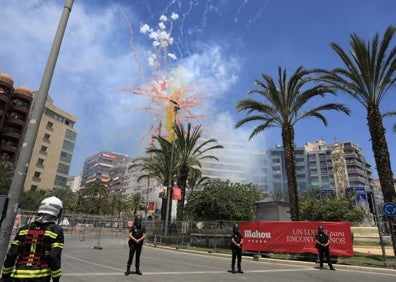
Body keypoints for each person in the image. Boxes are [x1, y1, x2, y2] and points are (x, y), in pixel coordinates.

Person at [1, 196, 64, 282]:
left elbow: (12, 254)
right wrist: (56, 278)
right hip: (41, 277)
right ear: (58, 212)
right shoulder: (56, 230)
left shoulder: (24, 229)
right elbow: (54, 256)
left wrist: (5, 275)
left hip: (18, 276)